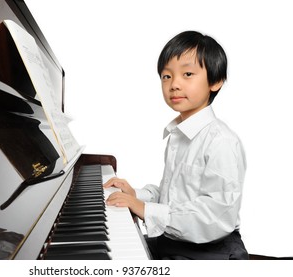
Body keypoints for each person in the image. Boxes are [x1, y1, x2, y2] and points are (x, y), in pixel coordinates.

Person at [104, 30, 248, 260]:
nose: (174, 84)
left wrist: (144, 209)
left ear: (216, 81)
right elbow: (176, 197)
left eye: (188, 74)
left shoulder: (221, 141)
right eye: (166, 76)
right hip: (178, 239)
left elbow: (216, 217)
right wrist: (137, 195)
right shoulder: (178, 134)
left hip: (211, 250)